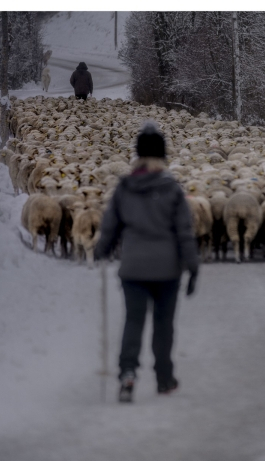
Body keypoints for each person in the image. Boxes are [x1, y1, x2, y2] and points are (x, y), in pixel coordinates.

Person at [94, 121, 199, 403]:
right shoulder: (172, 189)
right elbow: (184, 231)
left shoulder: (124, 188)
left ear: (137, 154)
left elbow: (109, 226)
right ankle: (164, 378)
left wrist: (101, 249)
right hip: (167, 270)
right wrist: (193, 267)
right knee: (164, 324)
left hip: (133, 269)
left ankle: (128, 373)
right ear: (162, 155)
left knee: (133, 320)